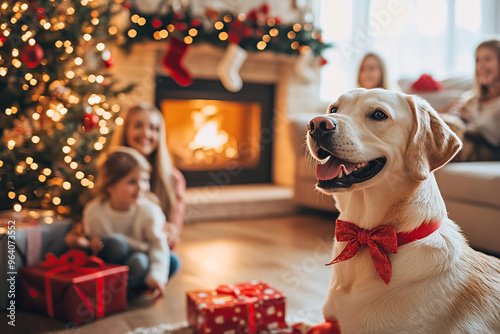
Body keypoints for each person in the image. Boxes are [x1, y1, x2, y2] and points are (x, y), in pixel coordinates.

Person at [67, 147, 171, 298]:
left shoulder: (150, 211)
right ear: (110, 186)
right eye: (132, 181)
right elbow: (90, 246)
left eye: (144, 180)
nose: (141, 187)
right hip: (111, 260)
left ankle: (127, 290)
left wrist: (156, 278)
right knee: (117, 243)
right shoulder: (95, 212)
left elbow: (158, 245)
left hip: (139, 258)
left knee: (163, 262)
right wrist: (90, 245)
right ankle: (117, 288)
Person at [109, 103, 186, 248]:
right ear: (125, 131)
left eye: (154, 128)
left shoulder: (174, 178)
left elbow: (175, 233)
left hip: (153, 250)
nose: (146, 133)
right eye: (138, 126)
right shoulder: (108, 169)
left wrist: (171, 230)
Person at [451, 39, 500, 161]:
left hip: (485, 149)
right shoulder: (470, 98)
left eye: (487, 59)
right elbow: (453, 117)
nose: (481, 65)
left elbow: (495, 139)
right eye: (478, 60)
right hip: (459, 139)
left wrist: (471, 121)